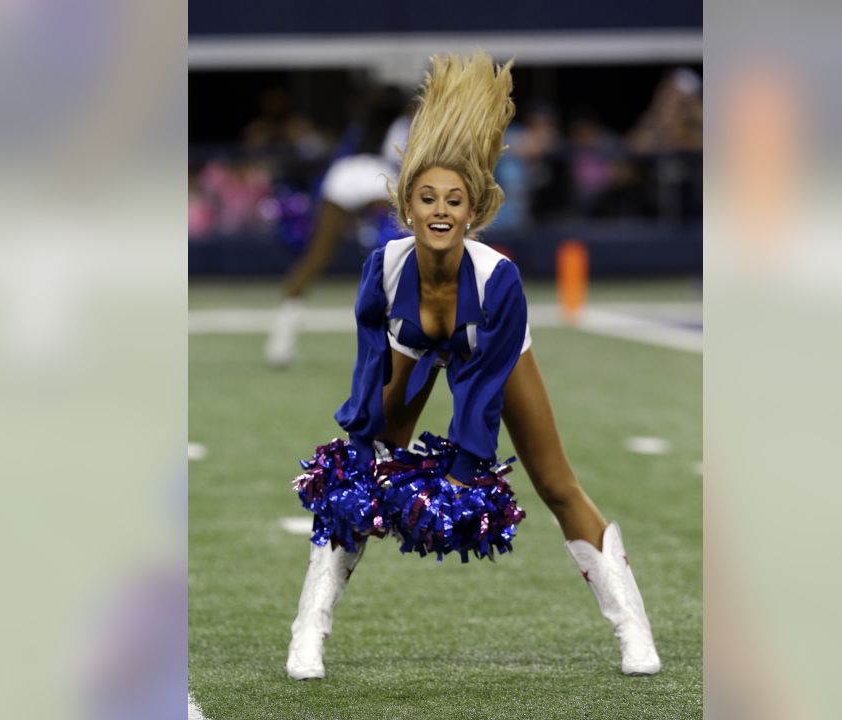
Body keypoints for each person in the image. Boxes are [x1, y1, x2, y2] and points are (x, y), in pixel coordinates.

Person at [285, 51, 663, 680]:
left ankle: (632, 629)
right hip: (411, 345)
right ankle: (309, 631)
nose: (439, 210)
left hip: (488, 347)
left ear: (472, 210)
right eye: (427, 197)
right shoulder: (382, 269)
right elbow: (370, 359)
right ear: (408, 206)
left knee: (556, 483)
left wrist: (463, 473)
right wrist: (363, 440)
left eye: (453, 200)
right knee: (354, 481)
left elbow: (482, 387)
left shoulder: (499, 280)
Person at [264, 86, 411, 367]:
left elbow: (340, 154)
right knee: (403, 252)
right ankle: (403, 337)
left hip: (343, 178)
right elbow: (404, 161)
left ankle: (280, 342)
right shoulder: (403, 126)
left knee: (316, 257)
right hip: (378, 178)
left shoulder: (361, 125)